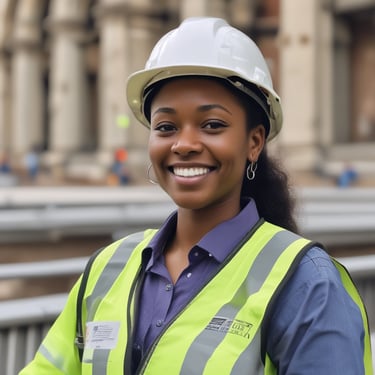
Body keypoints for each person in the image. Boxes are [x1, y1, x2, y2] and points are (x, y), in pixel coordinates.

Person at [20, 17, 373, 375]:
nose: (184, 144)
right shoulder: (105, 271)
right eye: (166, 127)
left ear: (254, 142)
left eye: (212, 125)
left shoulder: (307, 284)